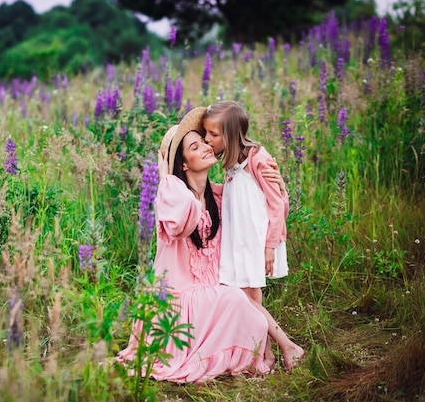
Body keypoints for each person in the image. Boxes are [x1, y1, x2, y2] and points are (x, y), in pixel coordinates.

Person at [117, 107, 293, 383]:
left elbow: (261, 201)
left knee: (242, 295)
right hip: (178, 300)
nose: (207, 146)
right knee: (236, 297)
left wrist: (276, 183)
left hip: (211, 295)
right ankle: (271, 349)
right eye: (195, 146)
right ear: (183, 163)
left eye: (207, 140)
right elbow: (180, 222)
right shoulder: (171, 196)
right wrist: (165, 177)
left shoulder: (219, 197)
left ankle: (274, 349)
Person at [203, 100, 304, 371]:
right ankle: (266, 356)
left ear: (231, 133)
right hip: (238, 239)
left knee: (248, 299)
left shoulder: (258, 158)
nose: (207, 139)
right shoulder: (231, 163)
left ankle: (287, 346)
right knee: (250, 300)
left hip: (256, 241)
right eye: (206, 133)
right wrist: (202, 184)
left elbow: (277, 203)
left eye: (213, 134)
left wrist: (270, 246)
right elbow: (235, 197)